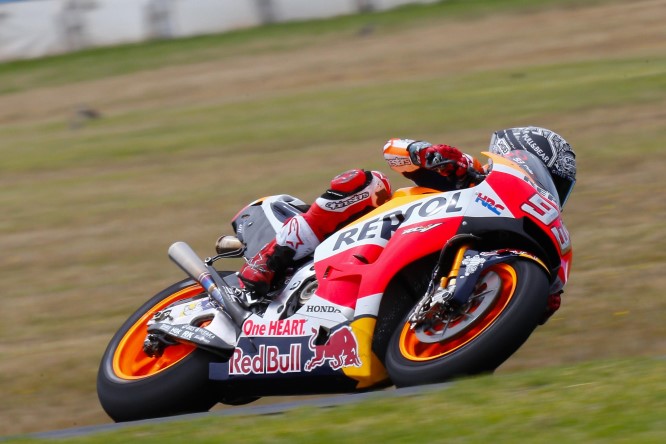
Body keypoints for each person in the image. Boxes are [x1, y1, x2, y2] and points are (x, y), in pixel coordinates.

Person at [238, 126, 576, 297]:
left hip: (406, 267)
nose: (550, 191)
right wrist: (430, 155)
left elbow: (547, 297)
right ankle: (271, 259)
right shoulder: (470, 170)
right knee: (368, 181)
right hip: (376, 231)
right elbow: (393, 150)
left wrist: (542, 293)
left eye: (557, 186)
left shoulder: (525, 223)